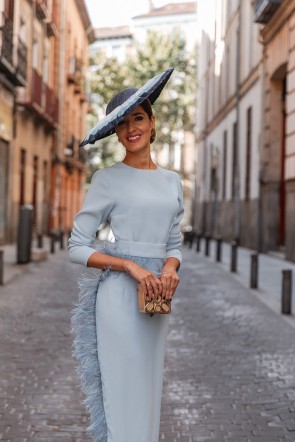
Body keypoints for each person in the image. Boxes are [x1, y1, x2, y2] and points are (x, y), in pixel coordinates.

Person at [68, 68, 184, 442]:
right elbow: (77, 245)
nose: (131, 127)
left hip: (156, 300)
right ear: (116, 133)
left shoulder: (172, 181)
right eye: (122, 123)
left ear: (152, 123)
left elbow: (174, 242)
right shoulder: (107, 179)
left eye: (138, 117)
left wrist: (170, 269)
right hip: (118, 299)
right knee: (122, 391)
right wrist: (128, 265)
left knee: (148, 391)